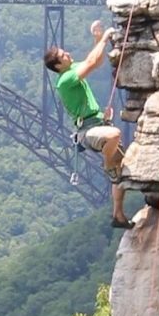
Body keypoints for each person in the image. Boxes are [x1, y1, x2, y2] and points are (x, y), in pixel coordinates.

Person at [43, 20, 134, 229]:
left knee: (120, 172)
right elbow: (92, 64)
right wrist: (103, 39)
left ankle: (118, 215)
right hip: (87, 132)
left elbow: (96, 61)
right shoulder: (65, 79)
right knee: (113, 135)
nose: (68, 54)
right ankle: (108, 163)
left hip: (97, 122)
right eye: (63, 55)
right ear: (58, 66)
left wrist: (96, 39)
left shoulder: (72, 69)